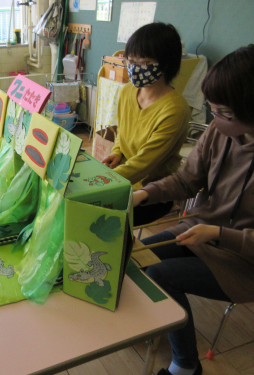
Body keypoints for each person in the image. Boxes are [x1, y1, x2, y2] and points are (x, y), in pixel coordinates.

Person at [133, 45, 254, 375]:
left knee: (159, 275)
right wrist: (144, 194)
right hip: (203, 232)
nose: (213, 119)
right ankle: (160, 325)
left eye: (222, 112)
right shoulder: (220, 131)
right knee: (139, 257)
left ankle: (185, 366)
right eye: (211, 109)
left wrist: (216, 232)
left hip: (243, 261)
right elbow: (187, 180)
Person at [102, 22, 191, 226]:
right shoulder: (127, 92)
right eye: (130, 60)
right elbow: (122, 133)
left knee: (102, 221)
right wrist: (117, 152)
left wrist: (103, 182)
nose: (133, 68)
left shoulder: (175, 109)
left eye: (143, 62)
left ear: (165, 63)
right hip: (124, 176)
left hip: (153, 191)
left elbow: (144, 164)